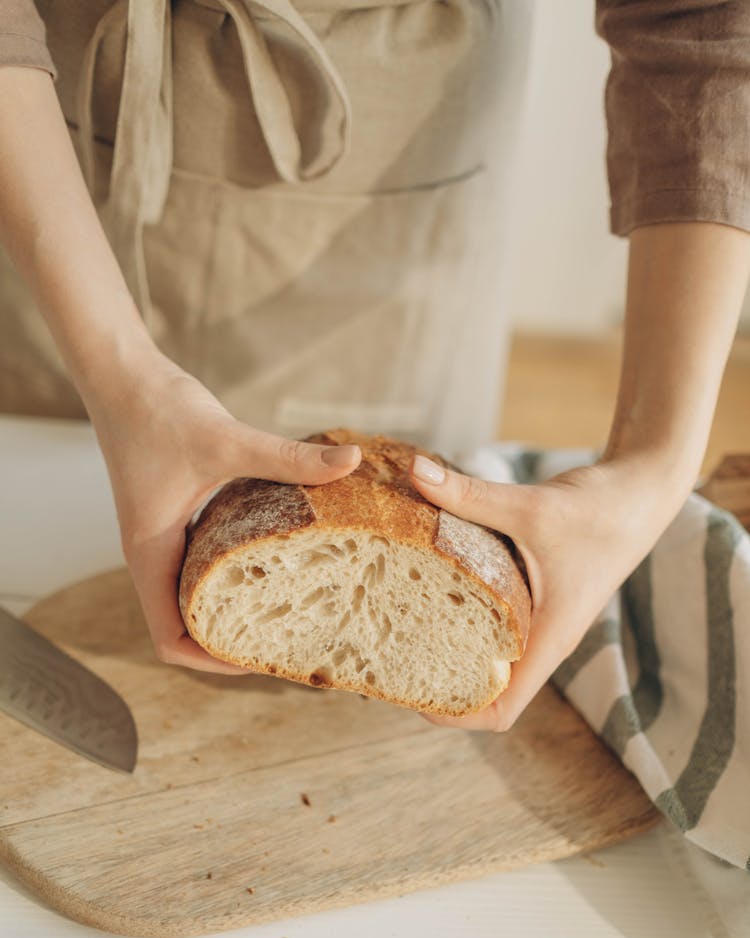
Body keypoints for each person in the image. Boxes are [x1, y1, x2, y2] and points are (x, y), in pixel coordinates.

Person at [0, 0, 748, 733]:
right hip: (48, 163)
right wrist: (113, 366)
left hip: (399, 143)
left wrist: (656, 462)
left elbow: (703, 16)